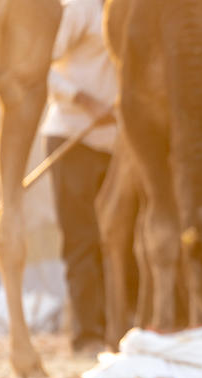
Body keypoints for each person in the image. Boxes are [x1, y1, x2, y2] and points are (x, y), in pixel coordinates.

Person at [39, 0, 116, 352]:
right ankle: (88, 337)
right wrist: (84, 100)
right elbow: (38, 63)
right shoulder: (80, 7)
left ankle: (122, 330)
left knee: (120, 240)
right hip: (73, 137)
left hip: (121, 144)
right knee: (83, 239)